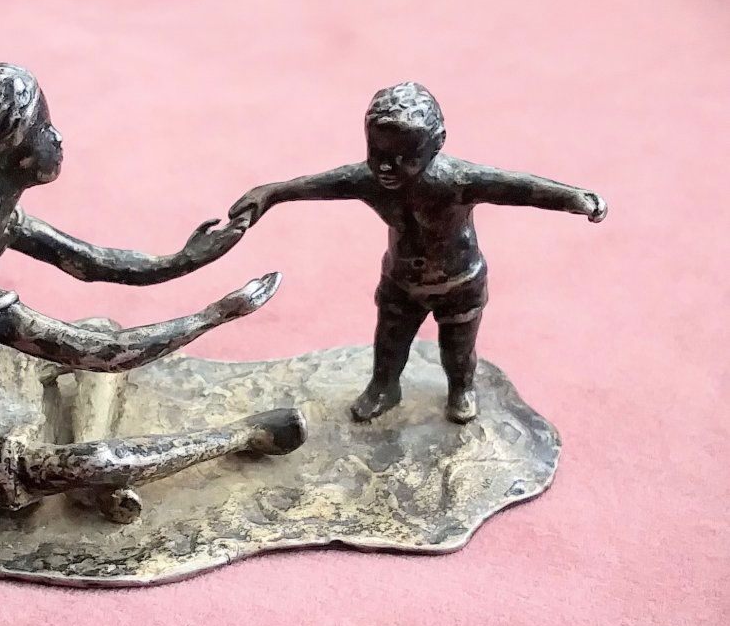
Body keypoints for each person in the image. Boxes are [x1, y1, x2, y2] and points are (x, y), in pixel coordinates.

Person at [0, 64, 306, 523]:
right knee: (100, 459)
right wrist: (216, 314)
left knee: (99, 326)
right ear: (6, 156)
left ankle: (87, 471)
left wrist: (185, 258)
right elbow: (103, 353)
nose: (58, 137)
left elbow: (91, 262)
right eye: (43, 129)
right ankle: (246, 434)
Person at [229, 82, 607, 424]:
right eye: (377, 152)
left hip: (459, 282)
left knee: (458, 349)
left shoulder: (458, 181)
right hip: (401, 281)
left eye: (404, 156)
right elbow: (312, 186)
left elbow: (519, 188)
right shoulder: (368, 180)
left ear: (437, 143)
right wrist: (269, 194)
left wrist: (574, 198)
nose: (387, 166)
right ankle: (384, 388)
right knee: (389, 343)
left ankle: (461, 389)